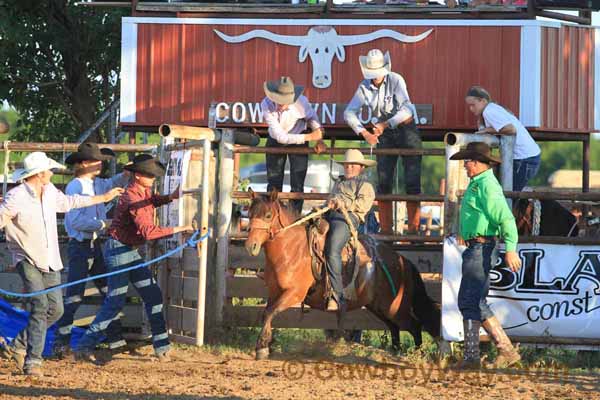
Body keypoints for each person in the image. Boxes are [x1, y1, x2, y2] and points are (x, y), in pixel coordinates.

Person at [0, 152, 123, 376]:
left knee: (56, 310)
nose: (51, 172)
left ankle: (18, 344)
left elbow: (70, 202)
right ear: (39, 174)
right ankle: (33, 362)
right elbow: (2, 217)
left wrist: (103, 198)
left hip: (50, 258)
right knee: (40, 306)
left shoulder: (49, 192)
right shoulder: (16, 196)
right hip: (26, 257)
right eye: (49, 170)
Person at [74, 154, 193, 363]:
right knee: (115, 301)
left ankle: (162, 346)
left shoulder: (140, 191)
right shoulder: (131, 196)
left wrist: (169, 197)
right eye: (150, 175)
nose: (153, 178)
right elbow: (148, 232)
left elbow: (150, 201)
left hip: (124, 249)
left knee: (151, 294)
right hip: (119, 250)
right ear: (138, 176)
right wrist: (181, 228)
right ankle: (84, 345)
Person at [53, 143, 131, 358]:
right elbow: (77, 222)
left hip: (92, 245)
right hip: (81, 246)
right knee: (75, 297)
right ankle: (62, 343)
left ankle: (116, 340)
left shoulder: (96, 184)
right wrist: (104, 224)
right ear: (83, 164)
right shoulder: (75, 187)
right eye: (95, 160)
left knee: (107, 291)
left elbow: (111, 183)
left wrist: (125, 174)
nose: (99, 164)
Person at [450, 142, 522, 369]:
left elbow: (506, 219)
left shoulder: (487, 186)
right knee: (475, 300)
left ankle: (473, 358)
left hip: (481, 247)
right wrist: (467, 231)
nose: (464, 166)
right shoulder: (480, 183)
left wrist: (511, 248)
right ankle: (505, 350)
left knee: (469, 300)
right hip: (478, 245)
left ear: (476, 162)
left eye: (467, 161)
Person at [344, 49, 422, 234]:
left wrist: (384, 124)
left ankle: (413, 230)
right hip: (385, 131)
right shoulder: (364, 87)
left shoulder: (396, 80)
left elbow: (407, 110)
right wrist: (364, 133)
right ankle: (386, 230)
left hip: (405, 129)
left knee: (412, 181)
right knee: (384, 181)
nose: (375, 77)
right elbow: (348, 112)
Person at [261, 76, 324, 214]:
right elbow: (280, 137)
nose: (280, 105)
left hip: (298, 138)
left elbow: (312, 118)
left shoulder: (301, 103)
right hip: (280, 140)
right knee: (274, 182)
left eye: (283, 102)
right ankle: (273, 216)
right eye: (278, 101)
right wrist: (310, 137)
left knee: (298, 183)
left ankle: (293, 218)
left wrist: (319, 136)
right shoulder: (266, 104)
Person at [325, 149, 376, 311]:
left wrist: (343, 205)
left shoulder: (366, 186)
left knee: (333, 248)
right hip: (331, 215)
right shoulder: (338, 183)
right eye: (347, 165)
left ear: (361, 167)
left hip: (348, 219)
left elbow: (363, 206)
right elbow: (330, 199)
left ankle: (336, 294)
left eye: (353, 165)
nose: (349, 168)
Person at [465, 86, 541, 191]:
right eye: (469, 106)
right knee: (507, 195)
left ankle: (531, 205)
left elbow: (511, 129)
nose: (471, 109)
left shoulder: (489, 111)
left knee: (508, 197)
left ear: (482, 101)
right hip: (526, 157)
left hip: (524, 159)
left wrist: (487, 130)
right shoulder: (491, 109)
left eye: (473, 105)